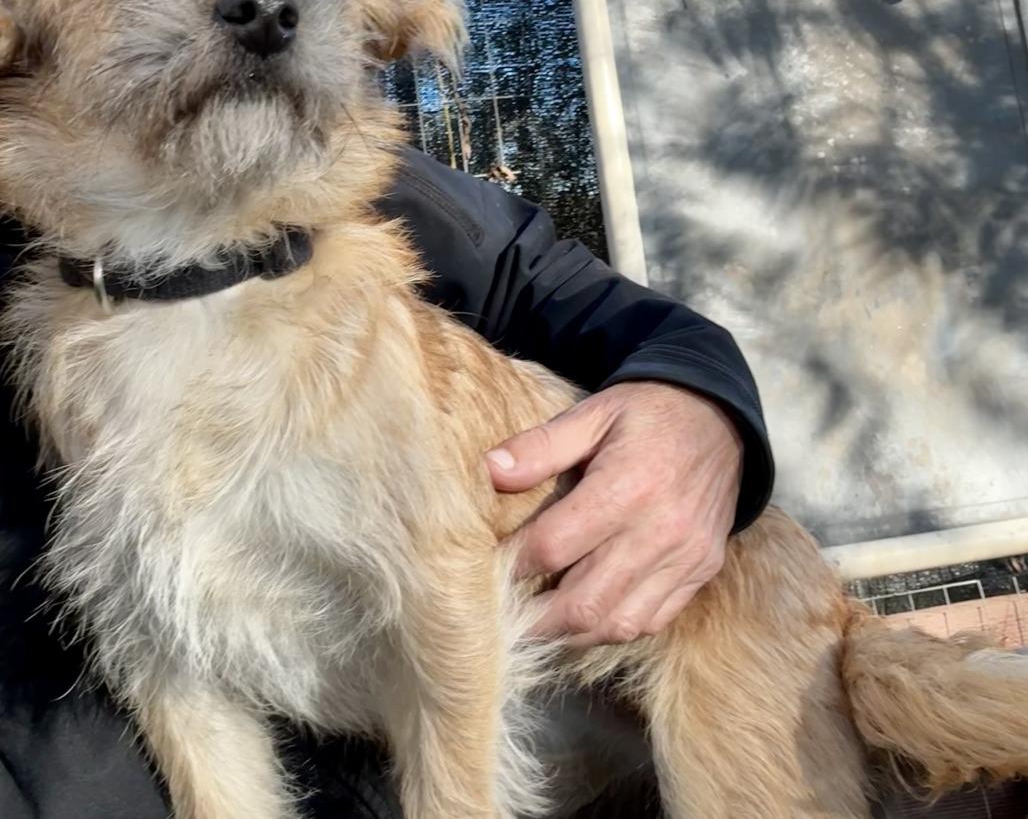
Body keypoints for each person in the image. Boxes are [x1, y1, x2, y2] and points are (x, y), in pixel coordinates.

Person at [0, 146, 773, 819]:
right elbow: (162, 658)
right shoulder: (68, 346)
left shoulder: (291, 155)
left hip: (680, 637)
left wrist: (699, 393)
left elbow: (552, 285)